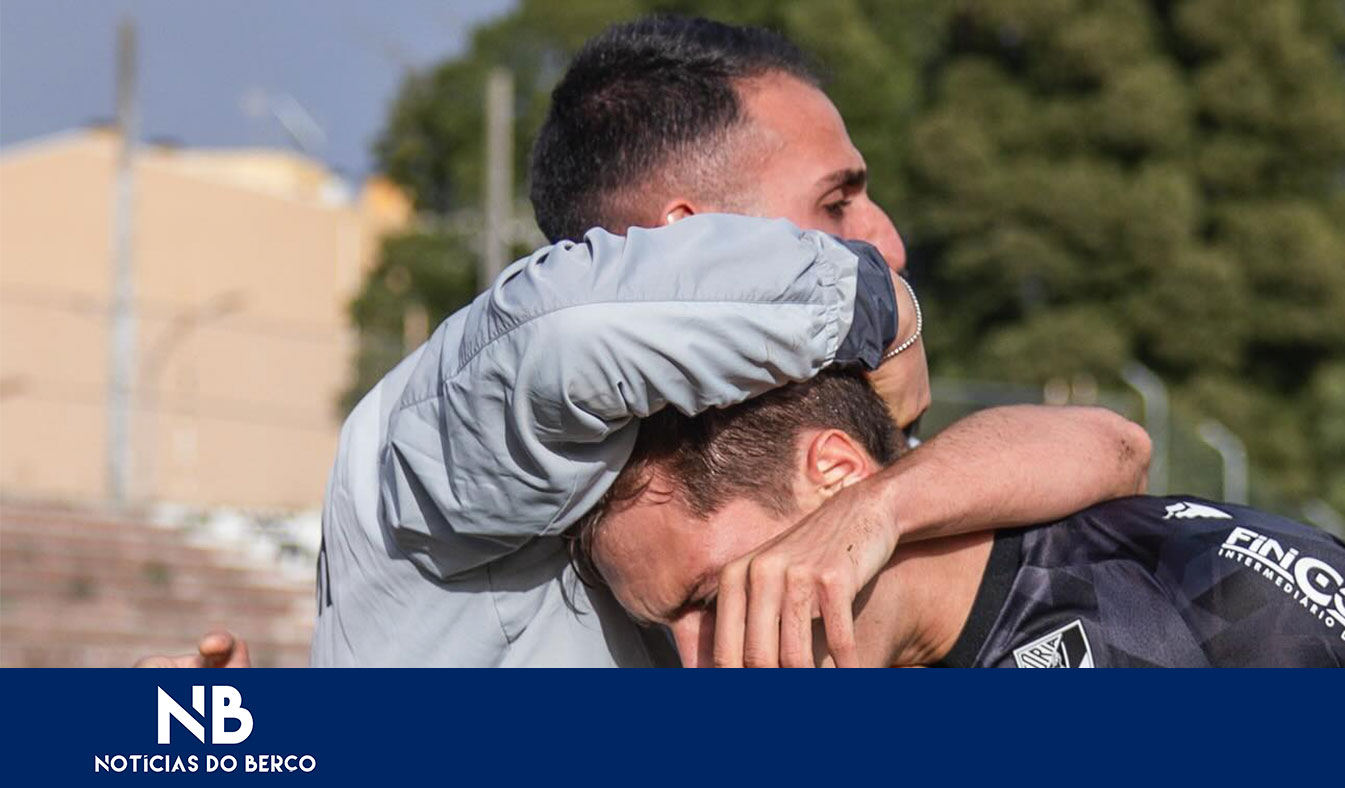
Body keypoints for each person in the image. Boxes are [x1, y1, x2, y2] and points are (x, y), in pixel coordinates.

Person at [141, 17, 1151, 668]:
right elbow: (575, 333)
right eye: (837, 202)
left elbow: (1112, 448)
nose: (884, 241)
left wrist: (885, 504)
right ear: (685, 246)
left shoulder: (769, 436)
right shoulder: (476, 444)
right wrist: (873, 305)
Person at [576, 370, 1345, 668]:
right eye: (669, 628)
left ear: (837, 481)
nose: (697, 658)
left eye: (707, 595)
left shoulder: (1220, 588)